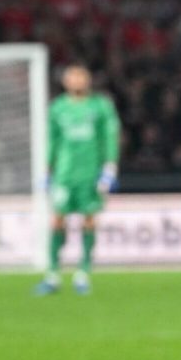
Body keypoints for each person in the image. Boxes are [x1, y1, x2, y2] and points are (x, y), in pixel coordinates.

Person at [35, 64, 120, 295]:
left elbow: (109, 137)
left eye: (81, 77)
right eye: (72, 77)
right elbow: (52, 140)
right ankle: (53, 274)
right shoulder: (58, 108)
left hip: (90, 174)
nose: (77, 81)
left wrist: (110, 167)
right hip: (64, 174)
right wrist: (47, 170)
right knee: (57, 220)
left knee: (89, 220)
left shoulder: (100, 106)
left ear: (88, 80)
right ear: (65, 82)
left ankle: (83, 272)